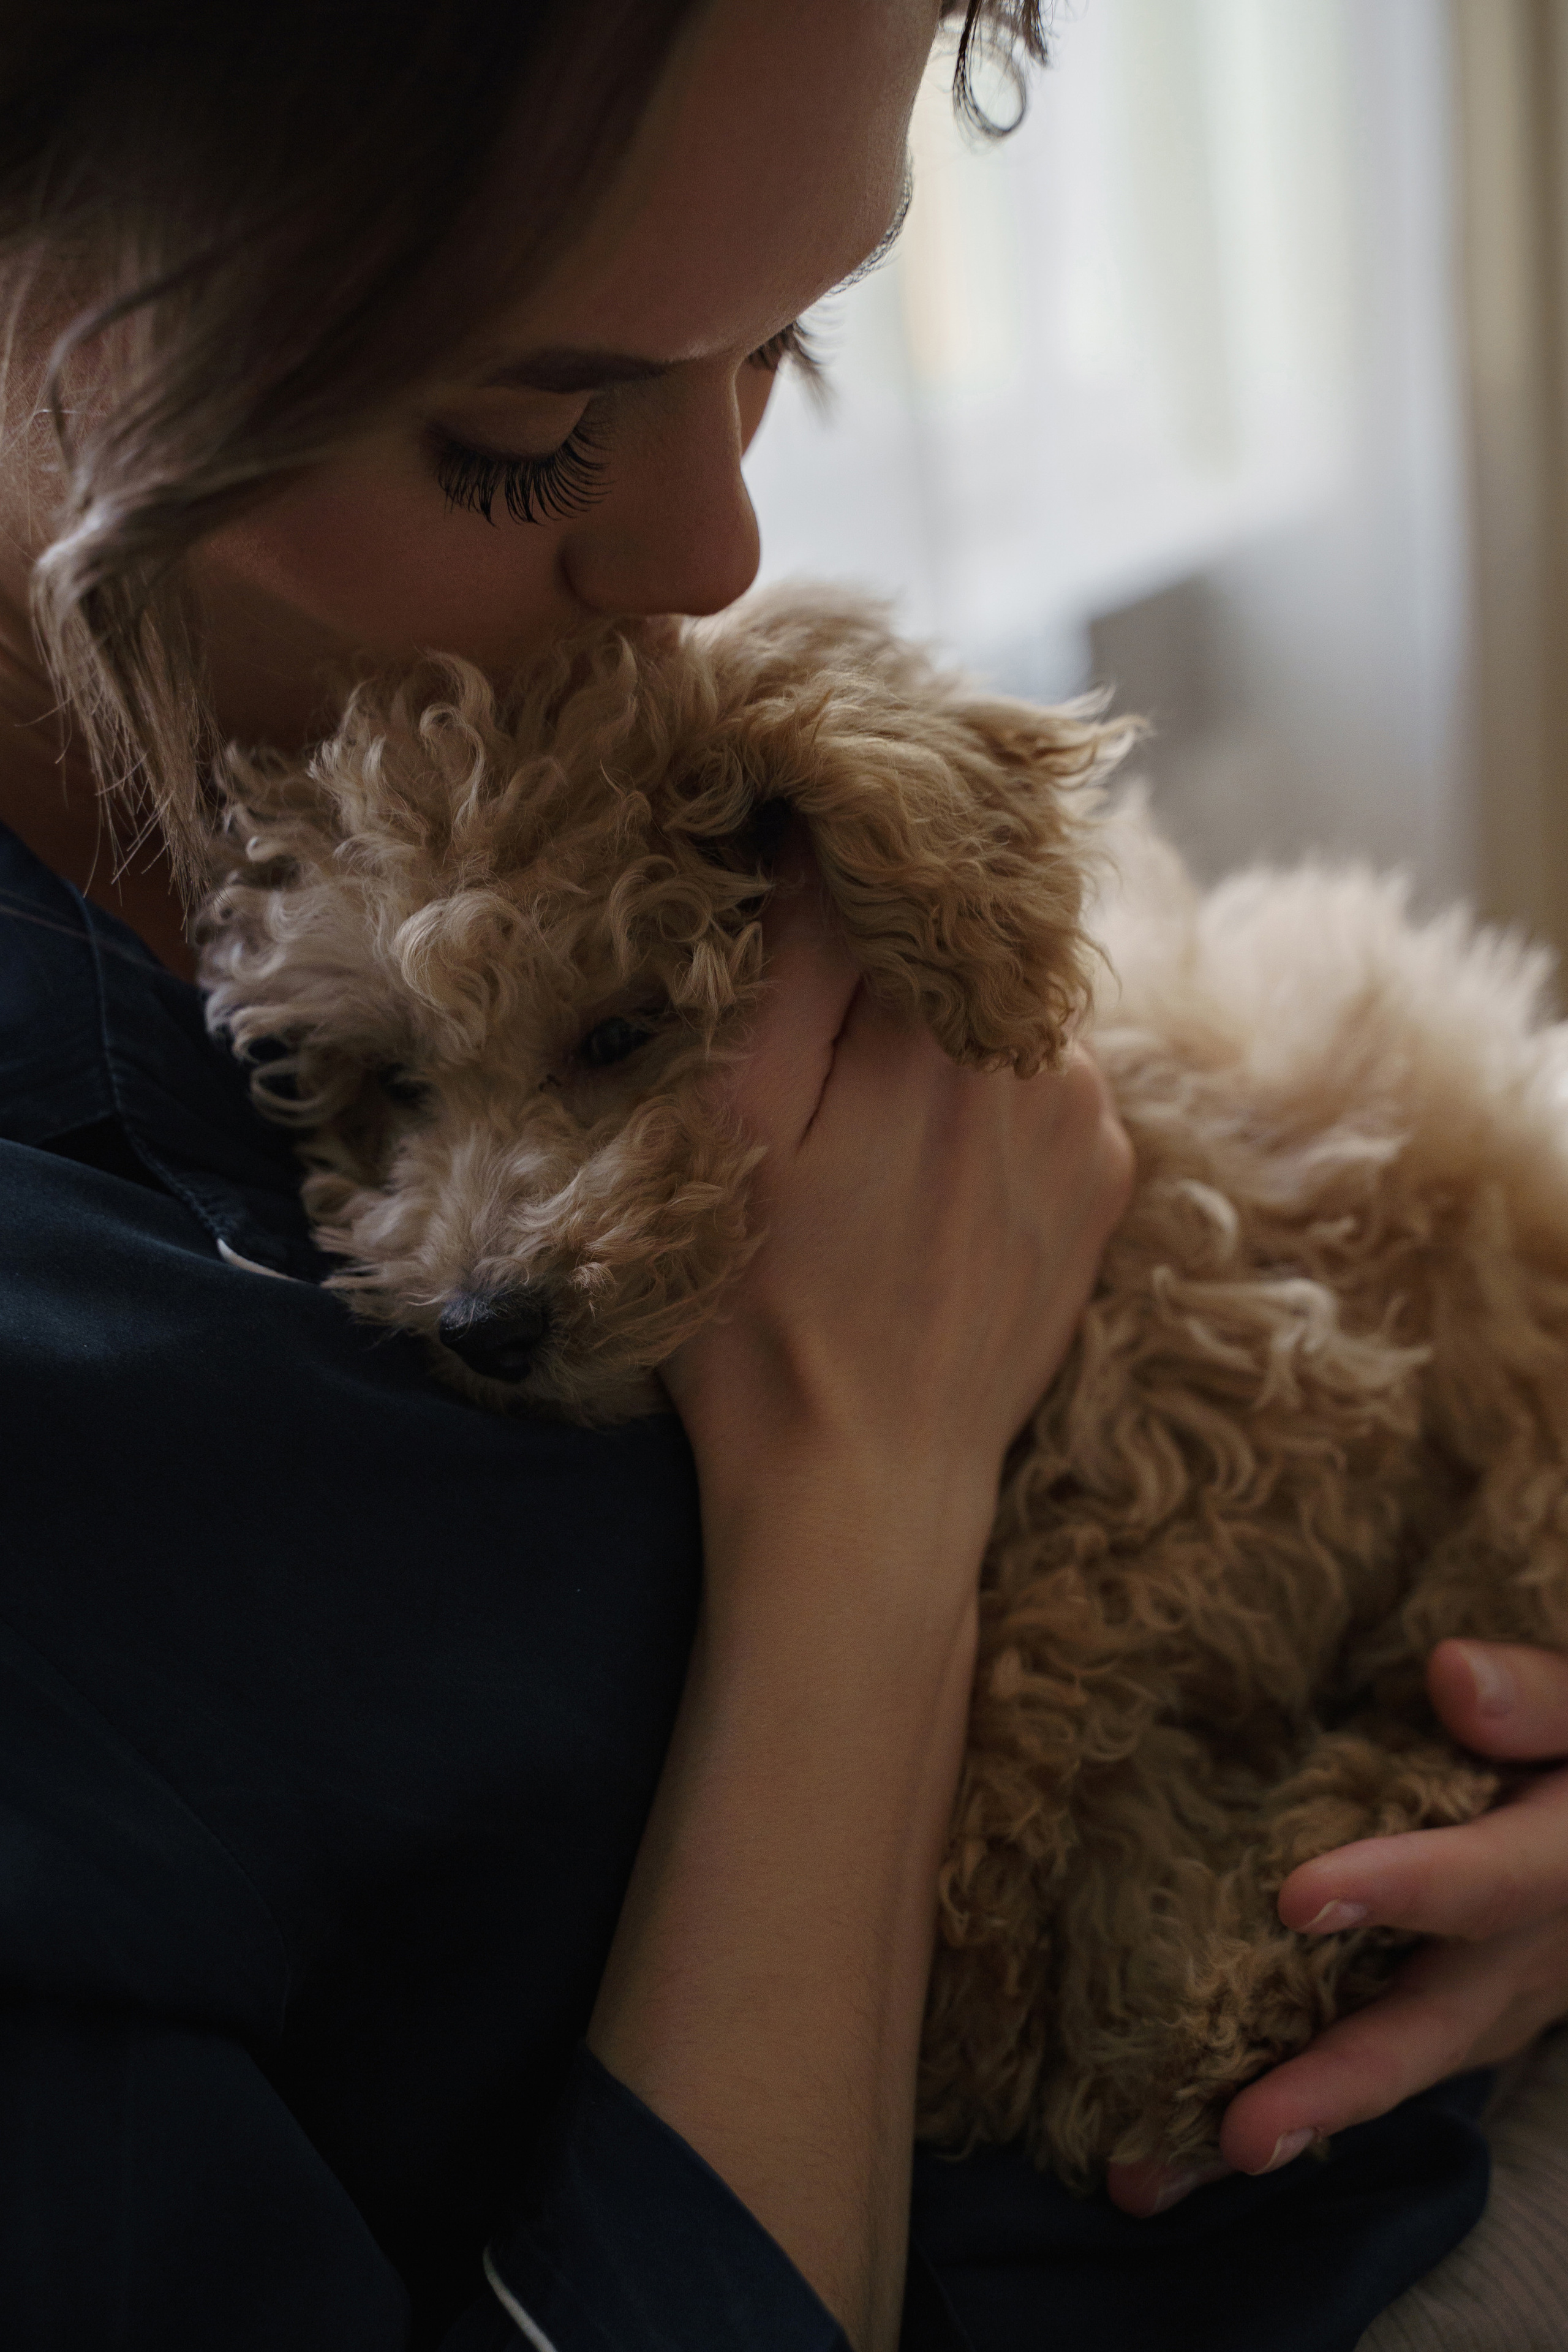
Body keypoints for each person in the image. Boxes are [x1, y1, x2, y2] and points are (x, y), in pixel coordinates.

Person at [0, 5, 1563, 2348]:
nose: (721, 548)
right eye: (525, 434)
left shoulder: (522, 774)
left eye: (793, 347)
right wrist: (871, 1506)